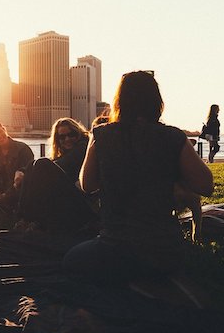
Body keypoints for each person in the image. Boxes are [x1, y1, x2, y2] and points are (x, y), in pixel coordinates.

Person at [63, 71, 214, 286]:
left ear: (120, 101)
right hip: (165, 252)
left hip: (115, 249)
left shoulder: (101, 135)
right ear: (157, 102)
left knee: (71, 260)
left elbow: (87, 185)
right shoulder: (173, 136)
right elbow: (205, 185)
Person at [16, 118, 98, 236]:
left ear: (78, 133)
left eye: (71, 135)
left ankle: (25, 218)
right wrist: (21, 171)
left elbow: (60, 164)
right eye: (62, 137)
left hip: (84, 205)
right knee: (31, 165)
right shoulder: (67, 153)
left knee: (41, 164)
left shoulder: (83, 147)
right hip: (71, 201)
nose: (67, 139)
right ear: (57, 140)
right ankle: (24, 218)